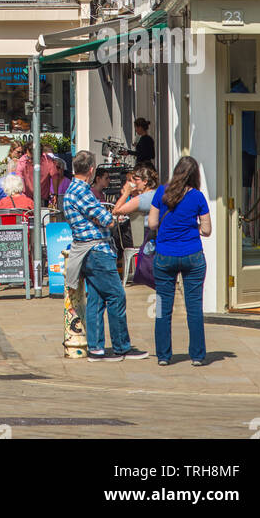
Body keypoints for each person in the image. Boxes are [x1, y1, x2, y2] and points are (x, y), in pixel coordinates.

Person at [63, 149, 148, 362]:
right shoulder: (81, 191)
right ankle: (121, 347)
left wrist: (104, 218)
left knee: (97, 300)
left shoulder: (72, 190)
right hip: (96, 251)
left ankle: (97, 349)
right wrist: (124, 196)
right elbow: (106, 219)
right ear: (91, 170)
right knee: (116, 296)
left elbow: (101, 217)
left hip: (87, 250)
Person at [148, 156, 211, 367]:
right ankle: (197, 355)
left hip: (165, 256)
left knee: (162, 308)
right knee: (194, 308)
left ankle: (164, 356)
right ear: (195, 175)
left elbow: (152, 223)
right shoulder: (198, 197)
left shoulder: (161, 192)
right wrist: (194, 226)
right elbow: (207, 230)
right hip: (193, 255)